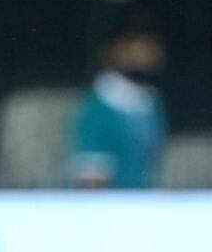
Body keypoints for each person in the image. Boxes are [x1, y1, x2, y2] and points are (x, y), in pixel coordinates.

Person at [68, 16, 168, 190]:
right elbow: (91, 181)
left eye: (153, 45)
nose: (149, 53)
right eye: (139, 44)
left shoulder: (150, 102)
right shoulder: (97, 108)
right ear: (115, 49)